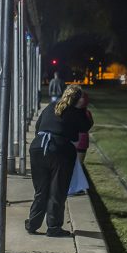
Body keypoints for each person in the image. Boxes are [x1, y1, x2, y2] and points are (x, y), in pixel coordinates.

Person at [26, 85, 93, 237]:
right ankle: (54, 227)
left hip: (38, 147)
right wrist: (82, 109)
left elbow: (38, 127)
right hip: (61, 151)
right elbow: (86, 127)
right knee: (57, 191)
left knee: (41, 191)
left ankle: (32, 224)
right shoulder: (76, 112)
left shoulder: (51, 106)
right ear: (79, 100)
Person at [75, 91, 93, 167]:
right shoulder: (87, 113)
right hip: (82, 142)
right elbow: (90, 124)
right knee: (79, 165)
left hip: (74, 141)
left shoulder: (71, 112)